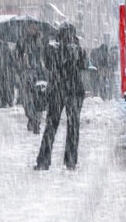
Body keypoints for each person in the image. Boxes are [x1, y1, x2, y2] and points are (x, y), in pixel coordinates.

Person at [35, 24, 88, 170]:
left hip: (57, 90)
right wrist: (74, 52)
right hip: (74, 90)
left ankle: (43, 161)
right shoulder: (76, 48)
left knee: (51, 126)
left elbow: (48, 65)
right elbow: (84, 65)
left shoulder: (53, 48)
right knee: (73, 126)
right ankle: (70, 161)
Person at [17, 25, 47, 133]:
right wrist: (21, 62)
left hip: (39, 74)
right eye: (30, 27)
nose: (32, 29)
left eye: (34, 28)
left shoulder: (42, 41)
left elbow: (46, 56)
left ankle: (37, 121)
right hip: (26, 73)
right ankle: (31, 117)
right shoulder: (22, 42)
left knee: (39, 99)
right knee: (27, 100)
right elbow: (17, 57)